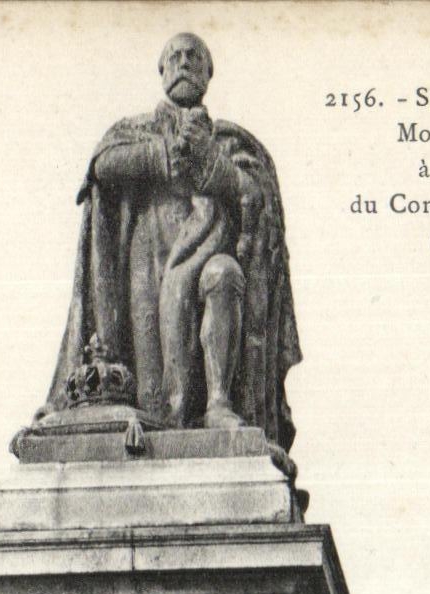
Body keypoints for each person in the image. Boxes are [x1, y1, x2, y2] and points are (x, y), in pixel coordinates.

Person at [41, 32, 301, 449]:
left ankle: (218, 404)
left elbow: (256, 194)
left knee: (225, 274)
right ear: (162, 71)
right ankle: (161, 422)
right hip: (148, 263)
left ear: (208, 73)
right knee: (151, 380)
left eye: (194, 57)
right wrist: (163, 156)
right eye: (175, 57)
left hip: (210, 256)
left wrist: (208, 161)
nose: (184, 63)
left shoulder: (231, 142)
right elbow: (102, 168)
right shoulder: (133, 131)